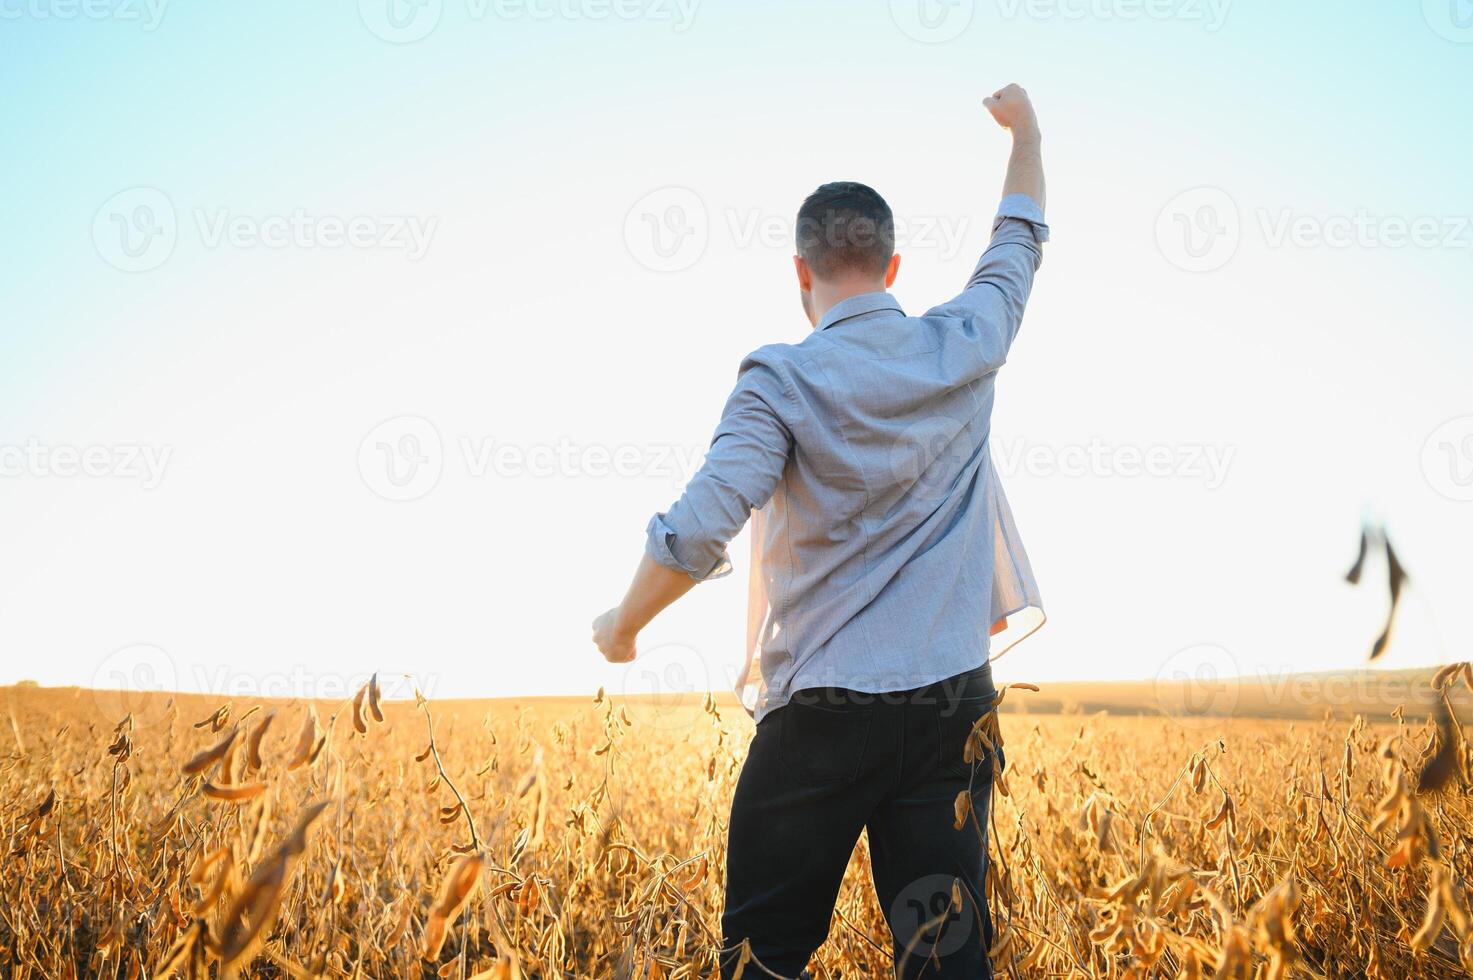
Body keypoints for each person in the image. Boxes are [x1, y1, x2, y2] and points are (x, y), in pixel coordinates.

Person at [592, 83, 1048, 979]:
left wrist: (623, 625)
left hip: (820, 723)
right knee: (944, 960)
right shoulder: (968, 339)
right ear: (893, 266)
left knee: (762, 961)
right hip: (951, 710)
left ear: (800, 274)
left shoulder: (777, 382)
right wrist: (1025, 129)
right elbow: (1017, 238)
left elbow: (699, 526)